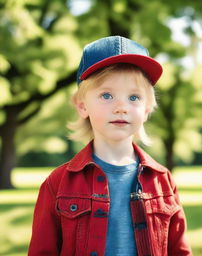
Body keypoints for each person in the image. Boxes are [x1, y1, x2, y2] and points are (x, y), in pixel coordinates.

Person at [28, 36, 192, 256]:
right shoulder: (56, 184)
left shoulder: (163, 181)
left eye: (134, 97)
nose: (121, 107)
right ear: (82, 106)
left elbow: (179, 251)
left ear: (146, 110)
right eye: (107, 95)